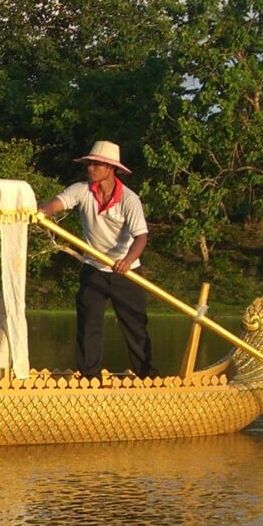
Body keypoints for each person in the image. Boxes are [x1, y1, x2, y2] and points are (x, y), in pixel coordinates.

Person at [36, 140, 154, 379]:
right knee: (89, 323)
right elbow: (57, 203)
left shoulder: (129, 199)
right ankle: (90, 377)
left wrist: (127, 260)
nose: (90, 168)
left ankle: (147, 376)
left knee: (135, 324)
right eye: (89, 164)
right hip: (94, 268)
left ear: (111, 168)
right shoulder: (81, 190)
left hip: (126, 271)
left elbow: (141, 237)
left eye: (96, 164)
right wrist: (41, 211)